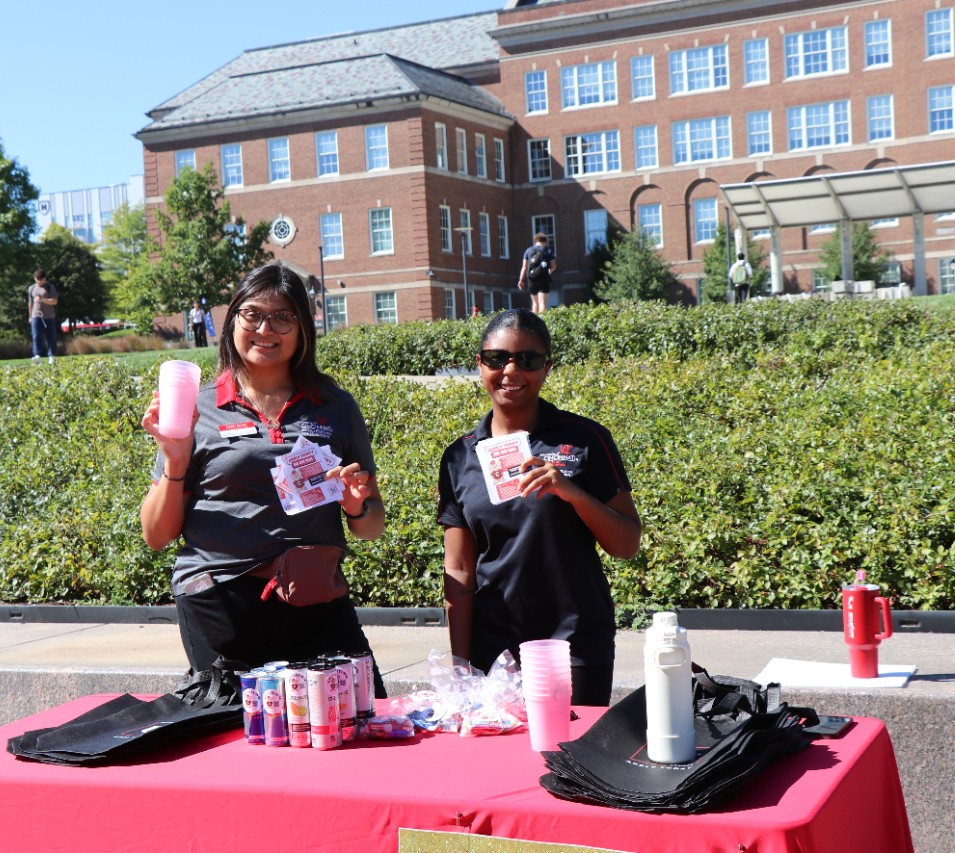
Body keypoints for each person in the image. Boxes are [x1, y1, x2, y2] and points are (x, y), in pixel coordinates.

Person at [140, 262, 388, 692]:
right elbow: (157, 535)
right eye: (252, 314)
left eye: (283, 317)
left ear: (303, 328)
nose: (265, 329)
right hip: (220, 599)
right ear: (233, 319)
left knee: (360, 714)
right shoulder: (200, 407)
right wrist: (176, 461)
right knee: (238, 735)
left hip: (315, 594)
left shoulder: (335, 406)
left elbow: (371, 527)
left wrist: (356, 504)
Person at [437, 308, 642, 706]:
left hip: (573, 646)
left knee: (571, 764)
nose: (511, 372)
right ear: (479, 364)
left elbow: (627, 544)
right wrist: (461, 666)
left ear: (546, 368)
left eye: (527, 360)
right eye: (497, 359)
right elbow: (459, 568)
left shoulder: (584, 439)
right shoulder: (459, 456)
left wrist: (572, 493)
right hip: (493, 651)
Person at [518, 233, 556, 315]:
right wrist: (549, 272)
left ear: (535, 241)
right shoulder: (548, 250)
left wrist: (521, 280)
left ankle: (533, 324)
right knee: (543, 303)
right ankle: (542, 322)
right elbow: (553, 265)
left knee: (535, 303)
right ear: (545, 241)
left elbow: (524, 267)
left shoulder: (528, 251)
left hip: (532, 278)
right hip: (544, 277)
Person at [27, 269, 59, 364]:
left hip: (49, 316)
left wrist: (42, 300)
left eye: (41, 280)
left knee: (51, 336)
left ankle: (51, 356)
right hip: (36, 316)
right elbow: (30, 303)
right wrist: (30, 316)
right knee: (36, 335)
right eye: (37, 279)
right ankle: (37, 356)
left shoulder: (50, 287)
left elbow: (54, 301)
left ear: (44, 278)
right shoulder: (31, 288)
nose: (39, 281)